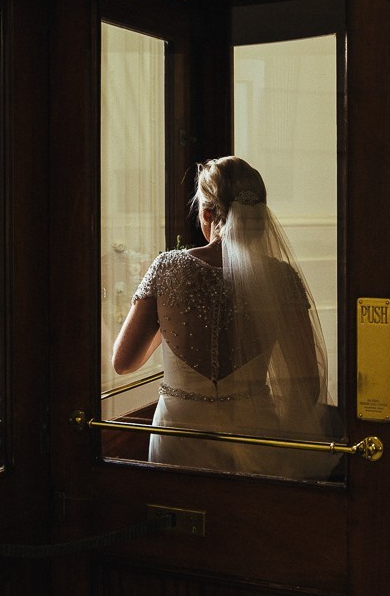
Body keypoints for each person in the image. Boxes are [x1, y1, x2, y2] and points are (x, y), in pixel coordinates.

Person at [112, 157, 340, 480]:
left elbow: (123, 362)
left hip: (179, 438)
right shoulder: (282, 279)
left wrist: (167, 321)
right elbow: (307, 384)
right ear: (260, 218)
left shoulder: (168, 269)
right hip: (255, 436)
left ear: (207, 214)